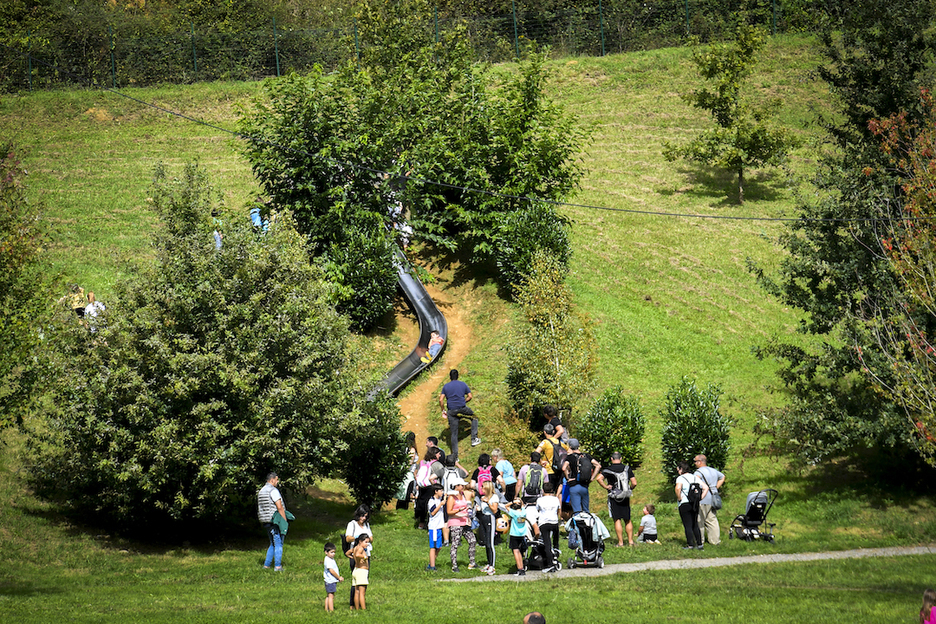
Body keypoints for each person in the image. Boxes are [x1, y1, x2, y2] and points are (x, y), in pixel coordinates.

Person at [596, 452, 637, 547]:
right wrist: (629, 489)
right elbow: (634, 482)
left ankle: (620, 543)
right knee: (627, 519)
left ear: (611, 459)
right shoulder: (627, 468)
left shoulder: (608, 470)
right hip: (625, 496)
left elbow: (599, 478)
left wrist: (606, 487)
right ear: (621, 458)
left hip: (614, 496)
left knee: (617, 519)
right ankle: (631, 542)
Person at [440, 369, 480, 460]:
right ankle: (474, 439)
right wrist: (464, 401)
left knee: (454, 433)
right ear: (458, 376)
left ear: (450, 377)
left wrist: (443, 410)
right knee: (474, 417)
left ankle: (455, 456)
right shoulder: (463, 384)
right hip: (462, 408)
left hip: (451, 411)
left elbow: (441, 399)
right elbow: (470, 396)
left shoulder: (446, 386)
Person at [257, 472, 289, 571]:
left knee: (272, 543)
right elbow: (279, 506)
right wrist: (284, 520)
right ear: (272, 480)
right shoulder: (273, 490)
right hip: (274, 521)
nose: (277, 482)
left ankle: (266, 565)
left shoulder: (261, 491)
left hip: (265, 520)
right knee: (279, 543)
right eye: (277, 479)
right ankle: (278, 566)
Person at [445, 476, 477, 572]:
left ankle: (472, 562)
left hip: (465, 522)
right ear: (456, 486)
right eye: (461, 485)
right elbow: (449, 511)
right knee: (455, 543)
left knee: (472, 540)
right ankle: (454, 565)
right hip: (455, 523)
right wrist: (458, 510)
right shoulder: (451, 497)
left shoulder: (463, 495)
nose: (463, 487)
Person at [675, 460, 709, 550]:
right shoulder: (694, 477)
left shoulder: (680, 478)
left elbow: (678, 488)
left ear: (681, 469)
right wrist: (700, 497)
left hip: (684, 503)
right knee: (695, 524)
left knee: (687, 525)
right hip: (695, 503)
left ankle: (690, 545)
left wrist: (679, 498)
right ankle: (699, 544)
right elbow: (706, 487)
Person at [344, 504, 373, 608]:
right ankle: (353, 604)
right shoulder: (352, 524)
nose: (363, 518)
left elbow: (371, 538)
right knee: (356, 583)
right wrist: (358, 539)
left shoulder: (367, 525)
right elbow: (347, 538)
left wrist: (367, 540)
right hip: (357, 555)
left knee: (363, 581)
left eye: (365, 516)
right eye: (362, 516)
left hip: (367, 554)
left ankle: (360, 603)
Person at [562, 439, 601, 514]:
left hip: (574, 486)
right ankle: (588, 524)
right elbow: (598, 465)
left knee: (577, 511)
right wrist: (592, 478)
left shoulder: (570, 457)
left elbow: (564, 468)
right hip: (585, 486)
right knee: (586, 511)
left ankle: (578, 525)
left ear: (570, 447)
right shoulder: (586, 456)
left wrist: (568, 478)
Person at [694, 454, 725, 546]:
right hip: (713, 498)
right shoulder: (713, 470)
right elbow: (722, 477)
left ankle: (700, 541)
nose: (694, 463)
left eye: (695, 461)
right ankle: (715, 541)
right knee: (712, 520)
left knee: (700, 520)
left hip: (703, 499)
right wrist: (715, 488)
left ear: (700, 462)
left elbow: (696, 481)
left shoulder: (698, 472)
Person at [413, 447, 444, 529]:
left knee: (422, 503)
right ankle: (432, 523)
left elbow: (416, 472)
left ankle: (421, 522)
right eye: (438, 453)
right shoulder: (437, 464)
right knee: (432, 504)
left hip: (422, 486)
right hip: (432, 486)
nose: (440, 455)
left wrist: (418, 483)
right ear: (435, 454)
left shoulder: (422, 462)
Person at [535, 424, 569, 496]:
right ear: (553, 432)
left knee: (548, 491)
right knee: (558, 491)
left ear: (544, 432)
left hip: (549, 470)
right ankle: (559, 506)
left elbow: (536, 452)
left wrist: (541, 461)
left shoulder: (545, 442)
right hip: (559, 469)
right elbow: (569, 451)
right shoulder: (560, 442)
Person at [535, 481, 561, 571]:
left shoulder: (540, 500)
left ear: (543, 490)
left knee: (547, 544)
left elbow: (537, 510)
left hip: (544, 522)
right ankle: (556, 553)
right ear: (552, 490)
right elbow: (559, 510)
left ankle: (550, 564)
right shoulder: (555, 499)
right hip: (554, 521)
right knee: (555, 540)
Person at [476, 480, 499, 575]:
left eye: (483, 487)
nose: (481, 489)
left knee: (490, 543)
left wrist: (488, 502)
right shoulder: (483, 497)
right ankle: (489, 563)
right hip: (484, 518)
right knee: (486, 543)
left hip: (490, 518)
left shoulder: (494, 497)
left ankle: (492, 566)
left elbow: (494, 510)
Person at [505, 498, 529, 576]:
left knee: (516, 552)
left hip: (514, 534)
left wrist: (512, 501)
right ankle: (522, 568)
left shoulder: (514, 513)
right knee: (520, 552)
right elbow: (523, 506)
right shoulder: (524, 512)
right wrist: (520, 501)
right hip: (522, 534)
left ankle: (519, 569)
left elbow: (506, 506)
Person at [346, 534, 371, 610]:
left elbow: (347, 553)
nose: (367, 544)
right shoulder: (360, 548)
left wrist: (351, 557)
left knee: (356, 591)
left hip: (356, 570)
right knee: (362, 593)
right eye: (366, 542)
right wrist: (364, 557)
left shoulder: (355, 548)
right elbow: (357, 554)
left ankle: (357, 608)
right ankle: (363, 609)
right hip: (361, 571)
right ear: (360, 541)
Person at [426, 484, 445, 571]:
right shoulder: (432, 501)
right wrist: (441, 504)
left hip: (439, 527)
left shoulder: (440, 499)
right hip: (433, 527)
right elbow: (433, 512)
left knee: (439, 547)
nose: (442, 492)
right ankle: (432, 566)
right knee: (433, 547)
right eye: (441, 491)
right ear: (436, 491)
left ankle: (431, 563)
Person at [323, 542, 343, 612]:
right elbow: (331, 571)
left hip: (330, 580)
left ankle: (326, 609)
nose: (333, 554)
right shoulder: (328, 560)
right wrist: (338, 577)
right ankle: (331, 610)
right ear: (326, 552)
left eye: (334, 552)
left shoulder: (329, 559)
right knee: (331, 596)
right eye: (331, 552)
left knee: (329, 595)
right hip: (330, 581)